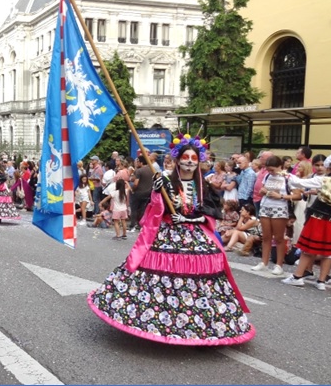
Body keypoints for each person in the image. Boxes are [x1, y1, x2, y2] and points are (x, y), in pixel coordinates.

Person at [88, 141, 255, 346]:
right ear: (177, 159)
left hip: (195, 235)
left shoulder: (203, 184)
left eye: (194, 158)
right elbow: (155, 210)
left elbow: (210, 213)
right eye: (186, 158)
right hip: (167, 233)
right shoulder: (165, 180)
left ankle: (204, 324)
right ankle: (157, 319)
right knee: (157, 273)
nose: (190, 162)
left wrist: (190, 220)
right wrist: (157, 194)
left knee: (204, 274)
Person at [282, 154, 331, 291]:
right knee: (329, 251)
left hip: (319, 218)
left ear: (328, 167)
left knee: (307, 248)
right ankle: (321, 281)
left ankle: (297, 277)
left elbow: (299, 183)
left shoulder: (323, 180)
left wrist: (287, 175)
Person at [251, 156, 302, 276]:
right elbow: (262, 188)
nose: (270, 172)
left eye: (273, 170)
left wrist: (282, 197)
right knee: (266, 236)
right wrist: (264, 191)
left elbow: (298, 195)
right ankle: (264, 262)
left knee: (279, 238)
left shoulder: (289, 177)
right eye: (268, 170)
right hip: (266, 206)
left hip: (279, 208)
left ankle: (279, 264)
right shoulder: (267, 176)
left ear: (280, 166)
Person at [129, 155, 153, 232]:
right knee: (143, 210)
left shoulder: (139, 171)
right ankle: (141, 225)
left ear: (141, 162)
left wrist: (132, 189)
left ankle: (133, 225)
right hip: (148, 193)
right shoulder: (152, 170)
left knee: (134, 209)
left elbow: (135, 183)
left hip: (138, 192)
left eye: (137, 162)